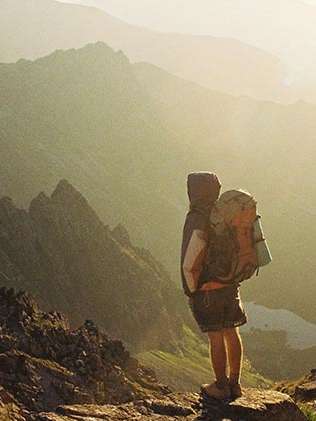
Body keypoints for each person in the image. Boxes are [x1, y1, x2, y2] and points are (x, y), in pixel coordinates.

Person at [180, 172, 247, 400]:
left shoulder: (197, 217)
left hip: (208, 290)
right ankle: (235, 384)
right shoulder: (225, 214)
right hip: (230, 285)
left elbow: (190, 260)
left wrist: (191, 289)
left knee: (216, 337)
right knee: (232, 331)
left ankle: (220, 386)